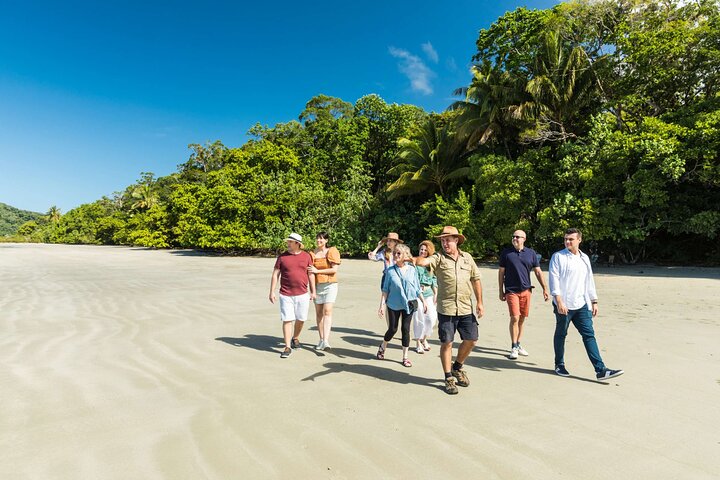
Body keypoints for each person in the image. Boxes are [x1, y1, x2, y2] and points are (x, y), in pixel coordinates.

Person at [548, 228, 624, 381]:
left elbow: (589, 280)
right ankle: (559, 364)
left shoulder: (584, 258)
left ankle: (600, 370)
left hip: (582, 304)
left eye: (571, 239)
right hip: (564, 305)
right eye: (566, 239)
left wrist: (594, 301)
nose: (567, 241)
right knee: (561, 334)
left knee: (589, 335)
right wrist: (559, 301)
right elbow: (554, 280)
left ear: (579, 240)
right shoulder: (558, 257)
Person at [416, 226, 484, 395]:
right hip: (446, 309)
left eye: (448, 240)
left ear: (456, 240)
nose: (445, 243)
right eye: (442, 240)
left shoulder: (467, 258)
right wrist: (411, 259)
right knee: (447, 343)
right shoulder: (438, 258)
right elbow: (424, 261)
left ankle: (457, 367)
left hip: (465, 307)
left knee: (472, 339)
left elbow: (476, 279)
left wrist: (480, 302)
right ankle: (448, 378)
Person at [498, 230, 549, 359]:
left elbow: (538, 272)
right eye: (513, 236)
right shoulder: (506, 253)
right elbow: (501, 273)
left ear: (524, 239)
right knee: (515, 317)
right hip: (511, 291)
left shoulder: (531, 253)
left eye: (518, 237)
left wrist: (545, 288)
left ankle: (519, 343)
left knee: (521, 319)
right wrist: (501, 290)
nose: (515, 238)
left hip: (526, 291)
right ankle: (514, 346)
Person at [377, 243, 427, 367]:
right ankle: (383, 345)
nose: (395, 255)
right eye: (394, 253)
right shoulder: (390, 271)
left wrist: (423, 301)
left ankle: (405, 357)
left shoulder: (412, 269)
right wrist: (381, 305)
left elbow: (416, 288)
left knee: (406, 329)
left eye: (398, 253)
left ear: (405, 255)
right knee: (393, 329)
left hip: (409, 303)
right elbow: (385, 289)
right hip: (393, 303)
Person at [269, 233, 316, 358]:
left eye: (290, 242)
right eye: (288, 241)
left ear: (297, 244)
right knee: (287, 319)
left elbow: (311, 274)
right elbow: (275, 275)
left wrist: (313, 291)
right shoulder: (282, 257)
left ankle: (295, 338)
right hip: (285, 294)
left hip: (303, 294)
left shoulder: (306, 256)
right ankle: (287, 346)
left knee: (301, 319)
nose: (288, 244)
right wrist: (272, 291)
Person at [308, 231, 341, 351]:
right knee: (318, 313)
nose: (319, 241)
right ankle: (321, 339)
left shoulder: (332, 251)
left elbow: (334, 269)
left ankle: (326, 340)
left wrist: (318, 271)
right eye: (317, 238)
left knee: (327, 311)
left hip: (330, 284)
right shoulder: (312, 253)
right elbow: (310, 272)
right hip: (317, 286)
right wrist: (312, 290)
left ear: (326, 240)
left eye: (321, 239)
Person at [413, 240, 438, 354]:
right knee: (419, 318)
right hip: (417, 294)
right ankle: (418, 342)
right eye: (421, 249)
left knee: (432, 318)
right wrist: (422, 299)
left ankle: (424, 339)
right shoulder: (415, 263)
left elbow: (434, 280)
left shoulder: (431, 264)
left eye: (425, 250)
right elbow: (414, 281)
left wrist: (436, 293)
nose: (422, 251)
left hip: (429, 294)